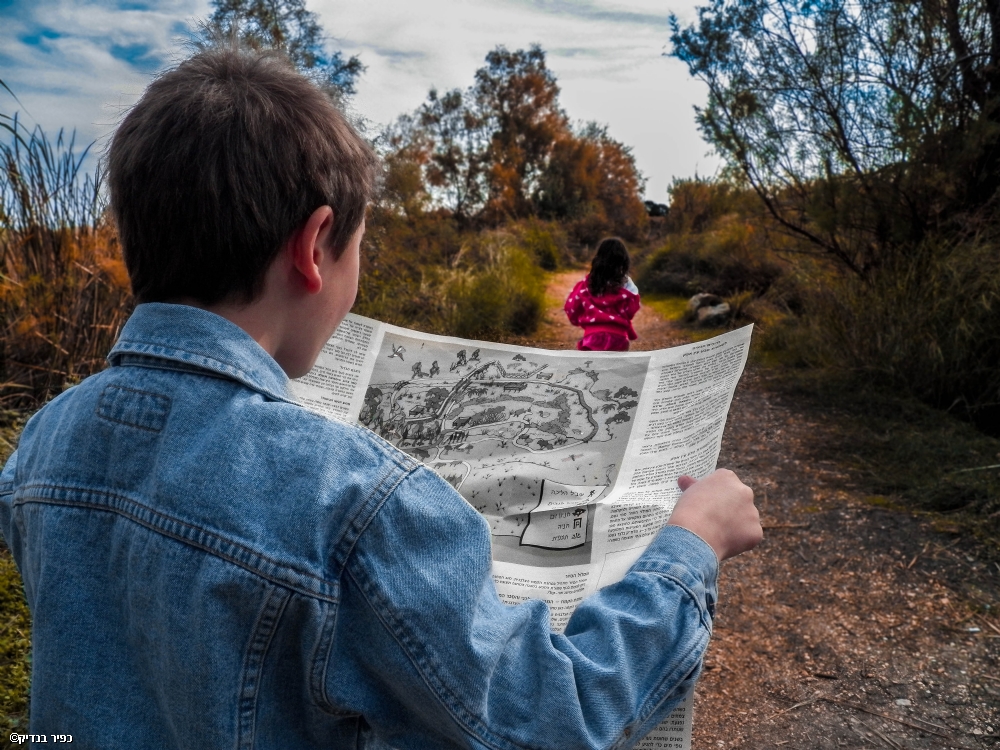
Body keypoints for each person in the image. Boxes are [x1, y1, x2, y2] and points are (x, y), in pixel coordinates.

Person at [0, 45, 762, 749]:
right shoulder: (350, 502)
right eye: (360, 245)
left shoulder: (44, 440)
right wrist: (690, 547)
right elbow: (552, 713)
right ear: (313, 246)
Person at [565, 237, 641, 351]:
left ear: (598, 259)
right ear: (623, 261)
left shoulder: (586, 284)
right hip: (619, 338)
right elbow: (632, 308)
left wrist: (578, 319)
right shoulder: (627, 283)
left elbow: (571, 307)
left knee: (591, 368)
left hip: (591, 337)